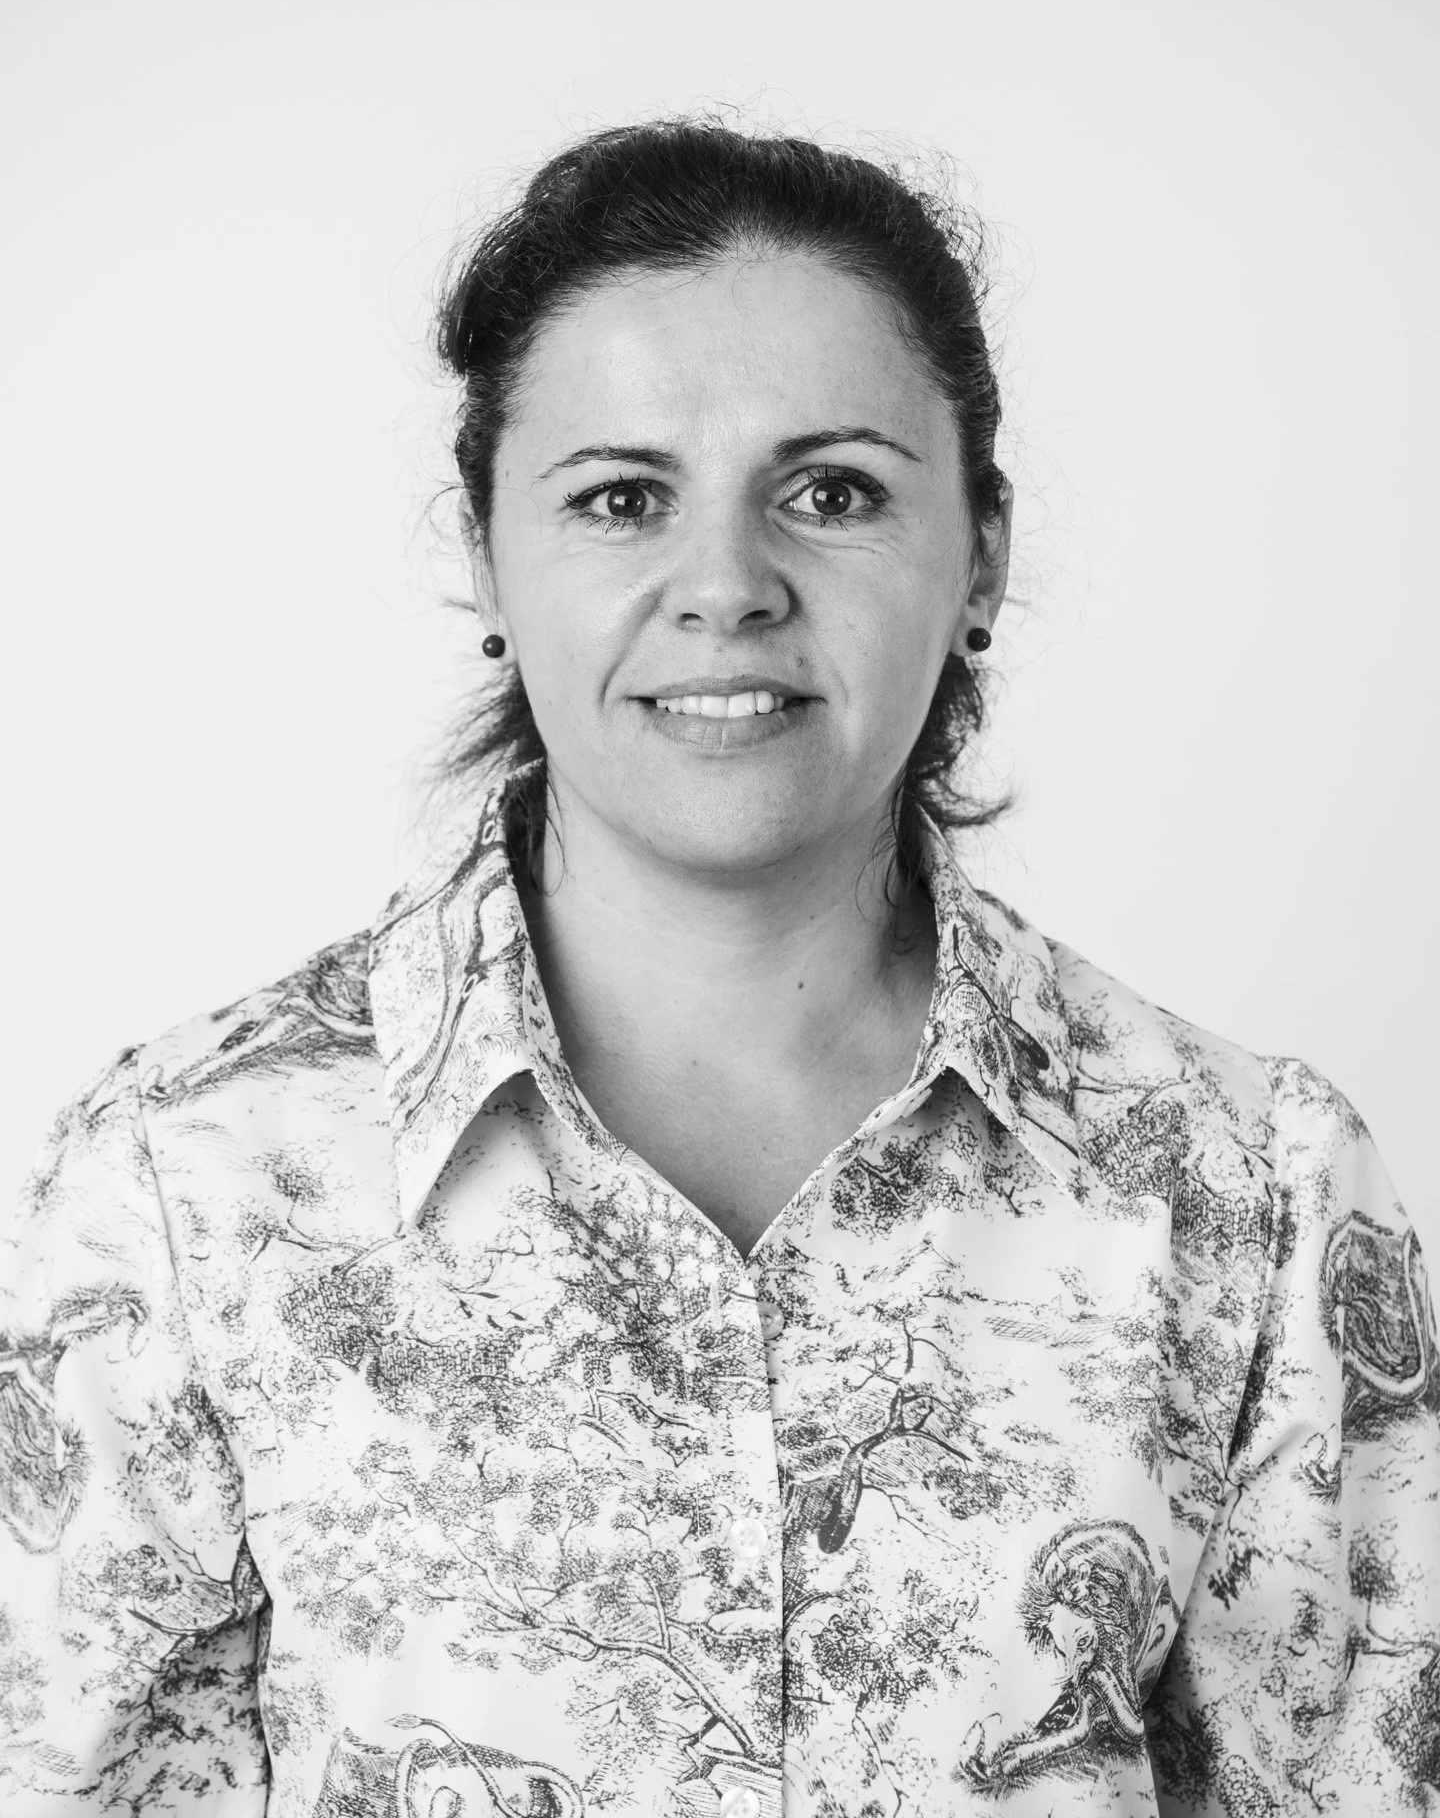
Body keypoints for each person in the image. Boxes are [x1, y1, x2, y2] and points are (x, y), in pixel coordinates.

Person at [2, 117, 1435, 1818]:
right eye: (621, 499)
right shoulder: (182, 1182)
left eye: (832, 493)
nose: (727, 588)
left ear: (978, 552)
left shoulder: (1246, 1186)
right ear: (483, 552)